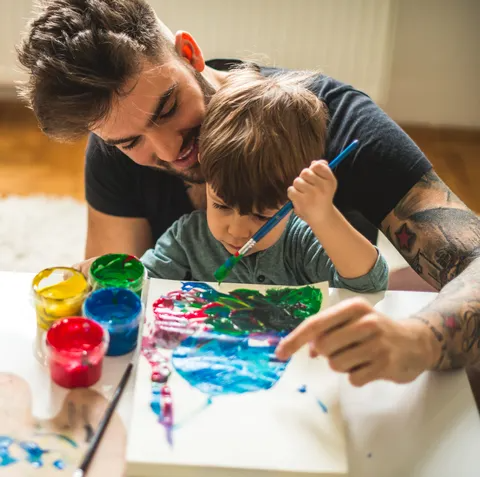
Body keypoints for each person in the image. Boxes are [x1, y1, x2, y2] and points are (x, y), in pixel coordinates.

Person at [17, 0, 480, 387]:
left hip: (329, 373)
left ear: (189, 53)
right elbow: (122, 296)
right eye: (130, 141)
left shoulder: (336, 121)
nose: (168, 150)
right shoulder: (114, 149)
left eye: (167, 108)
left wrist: (418, 341)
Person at [76, 67, 389, 292]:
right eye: (222, 205)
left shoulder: (301, 242)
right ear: (205, 180)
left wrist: (324, 216)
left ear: (293, 200)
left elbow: (369, 283)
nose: (237, 231)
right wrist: (112, 272)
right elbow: (147, 281)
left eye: (262, 214)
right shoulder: (188, 238)